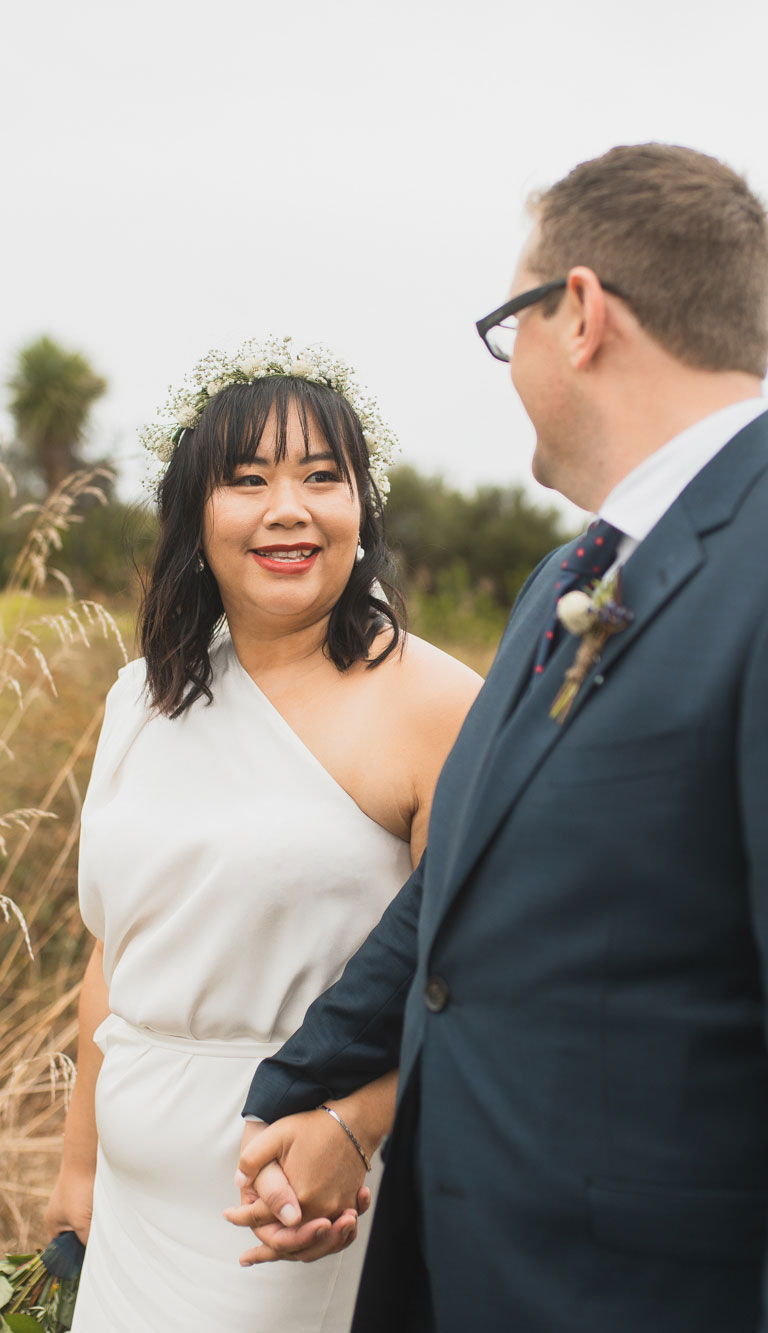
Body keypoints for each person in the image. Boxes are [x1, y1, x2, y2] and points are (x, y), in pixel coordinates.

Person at [229, 144, 768, 1332]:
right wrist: (289, 1090)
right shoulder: (565, 578)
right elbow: (462, 888)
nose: (511, 367)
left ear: (578, 313)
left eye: (510, 326)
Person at [40, 340, 482, 1333]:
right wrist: (79, 1167)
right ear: (196, 515)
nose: (289, 507)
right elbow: (114, 954)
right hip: (132, 1201)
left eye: (321, 477)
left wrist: (350, 1128)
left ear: (361, 507)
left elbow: (482, 972)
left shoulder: (435, 703)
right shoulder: (142, 698)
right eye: (248, 481)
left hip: (294, 1189)